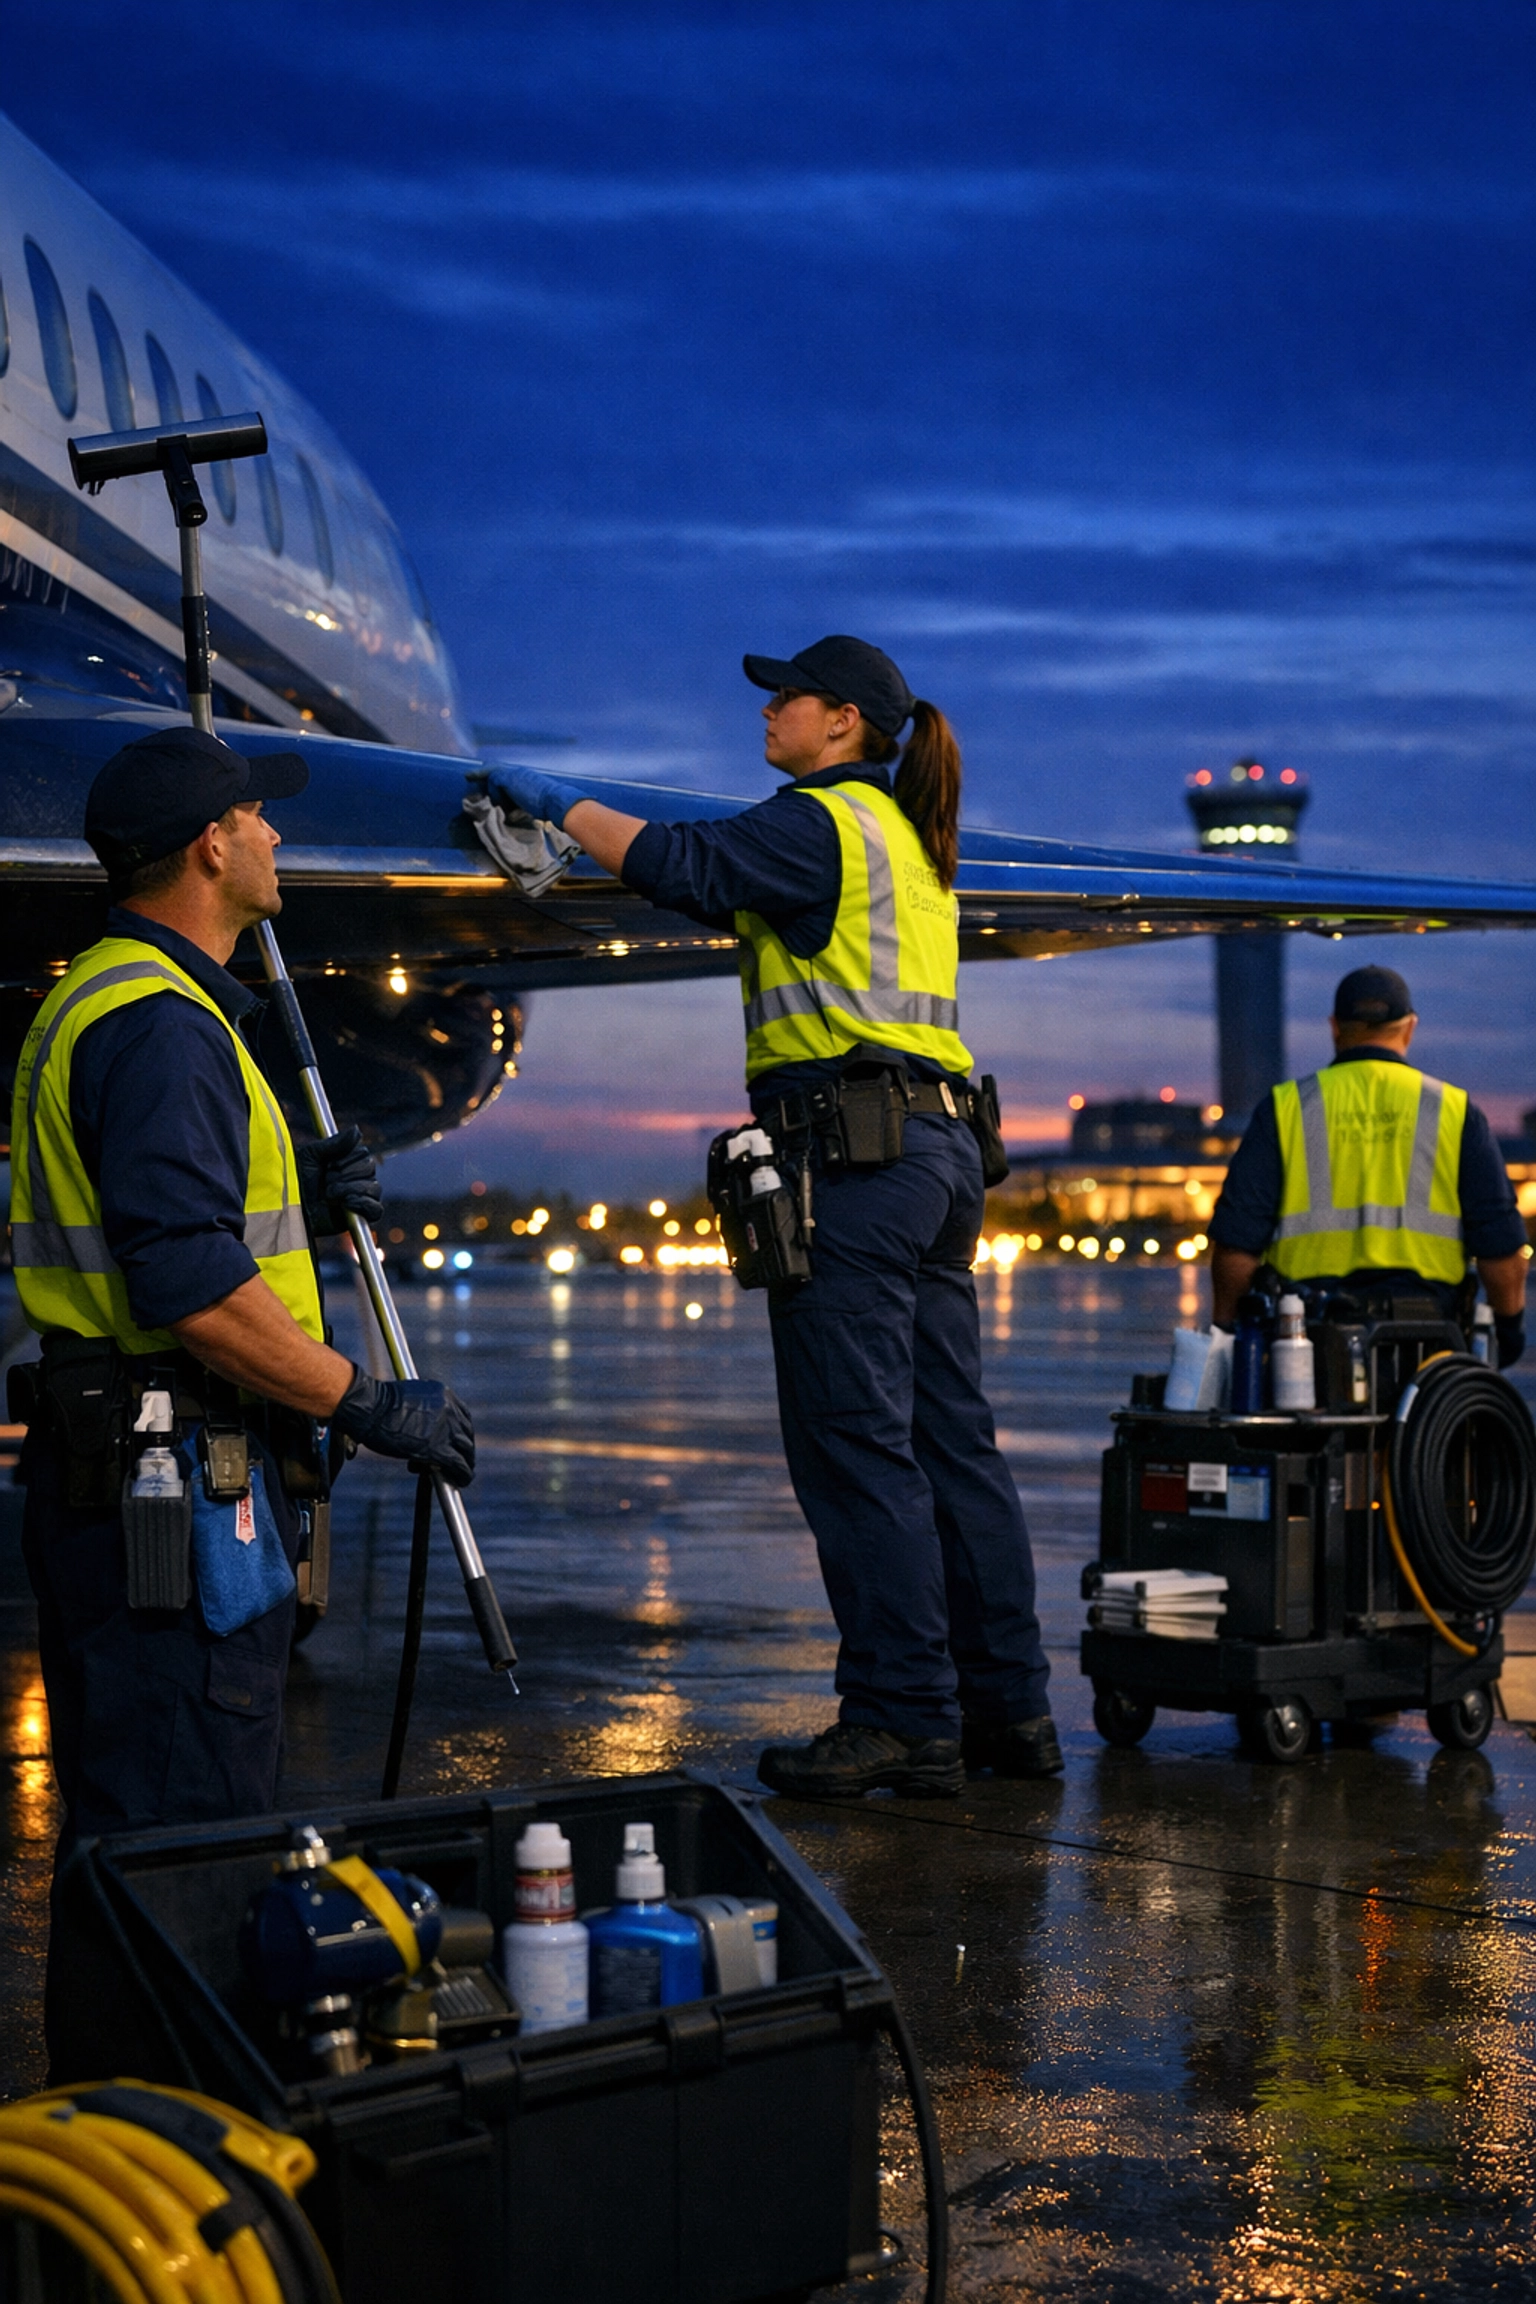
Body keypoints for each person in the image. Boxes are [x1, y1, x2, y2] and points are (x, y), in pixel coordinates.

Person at [488, 635, 1058, 1797]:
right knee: (954, 1444)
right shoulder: (906, 839)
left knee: (858, 1447)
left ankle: (904, 1716)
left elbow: (687, 864)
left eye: (784, 697)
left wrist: (561, 808)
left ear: (841, 721)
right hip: (940, 1156)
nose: (767, 713)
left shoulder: (818, 823)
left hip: (855, 1164)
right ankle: (1010, 1710)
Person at [10, 725, 476, 1882]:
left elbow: (168, 1229)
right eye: (258, 816)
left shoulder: (127, 998)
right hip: (165, 1487)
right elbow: (190, 1289)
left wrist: (304, 1197)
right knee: (186, 1839)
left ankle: (131, 2061)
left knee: (143, 1828)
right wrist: (365, 1400)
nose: (277, 833)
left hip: (119, 1466)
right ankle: (157, 2065)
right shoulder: (164, 1024)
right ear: (211, 848)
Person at [1209, 963, 1527, 1360]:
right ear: (1409, 1027)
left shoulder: (1285, 1108)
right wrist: (1509, 1330)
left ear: (1335, 1027)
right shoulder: (1454, 1112)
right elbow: (1502, 1252)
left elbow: (1235, 1247)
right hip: (1428, 1345)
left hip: (1308, 1344)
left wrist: (1224, 1332)